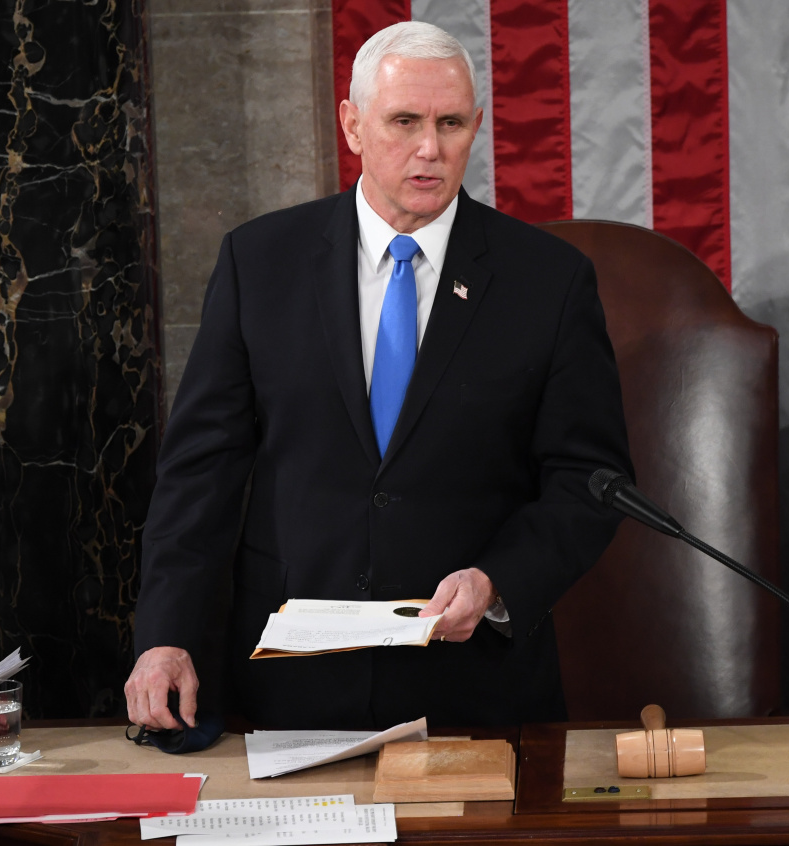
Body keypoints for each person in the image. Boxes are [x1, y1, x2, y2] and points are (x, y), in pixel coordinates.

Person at [126, 21, 634, 732]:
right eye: (405, 121)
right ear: (353, 125)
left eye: (450, 123)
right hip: (290, 686)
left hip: (475, 690)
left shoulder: (548, 281)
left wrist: (497, 583)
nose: (430, 148)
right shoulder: (259, 262)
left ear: (476, 126)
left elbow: (590, 480)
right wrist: (165, 635)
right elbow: (198, 474)